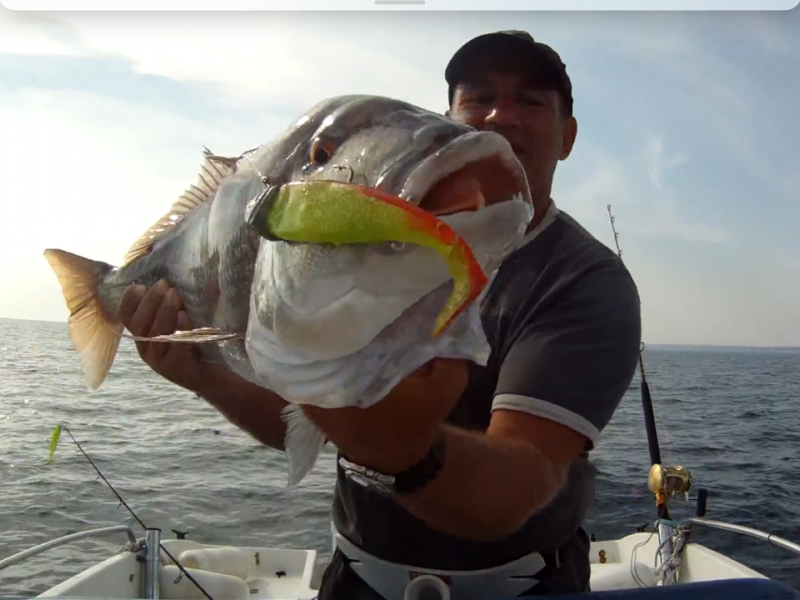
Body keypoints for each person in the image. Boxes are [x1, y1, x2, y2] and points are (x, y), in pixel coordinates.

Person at [118, 31, 642, 598]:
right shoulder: (354, 261)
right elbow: (301, 423)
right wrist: (199, 373)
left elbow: (518, 484)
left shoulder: (584, 280)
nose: (500, 116)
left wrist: (401, 451)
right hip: (355, 579)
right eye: (477, 98)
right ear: (449, 119)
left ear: (567, 137)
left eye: (532, 101)